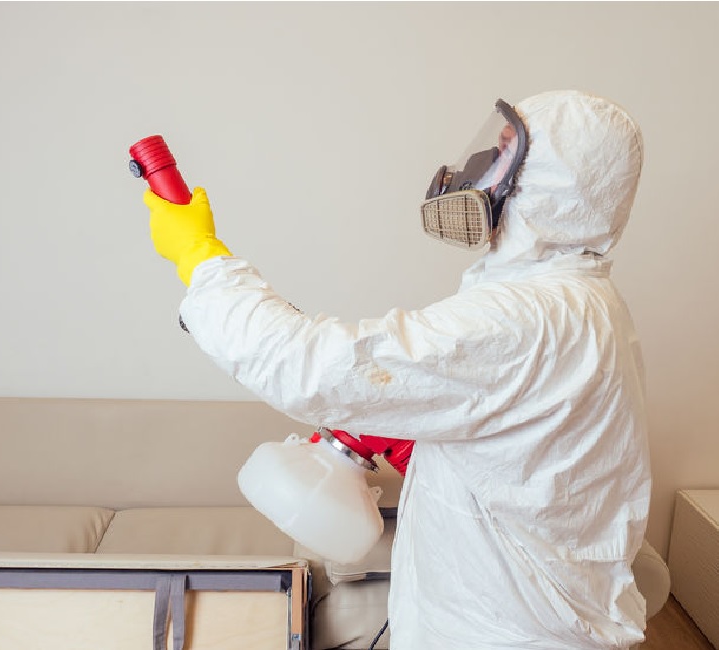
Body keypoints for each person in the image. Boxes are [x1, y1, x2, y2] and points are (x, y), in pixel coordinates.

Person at [144, 89, 651, 650]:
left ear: (555, 185)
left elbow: (311, 366)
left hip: (503, 634)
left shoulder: (527, 317)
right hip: (516, 619)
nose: (482, 166)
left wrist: (200, 257)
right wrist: (429, 445)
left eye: (506, 152)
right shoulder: (583, 301)